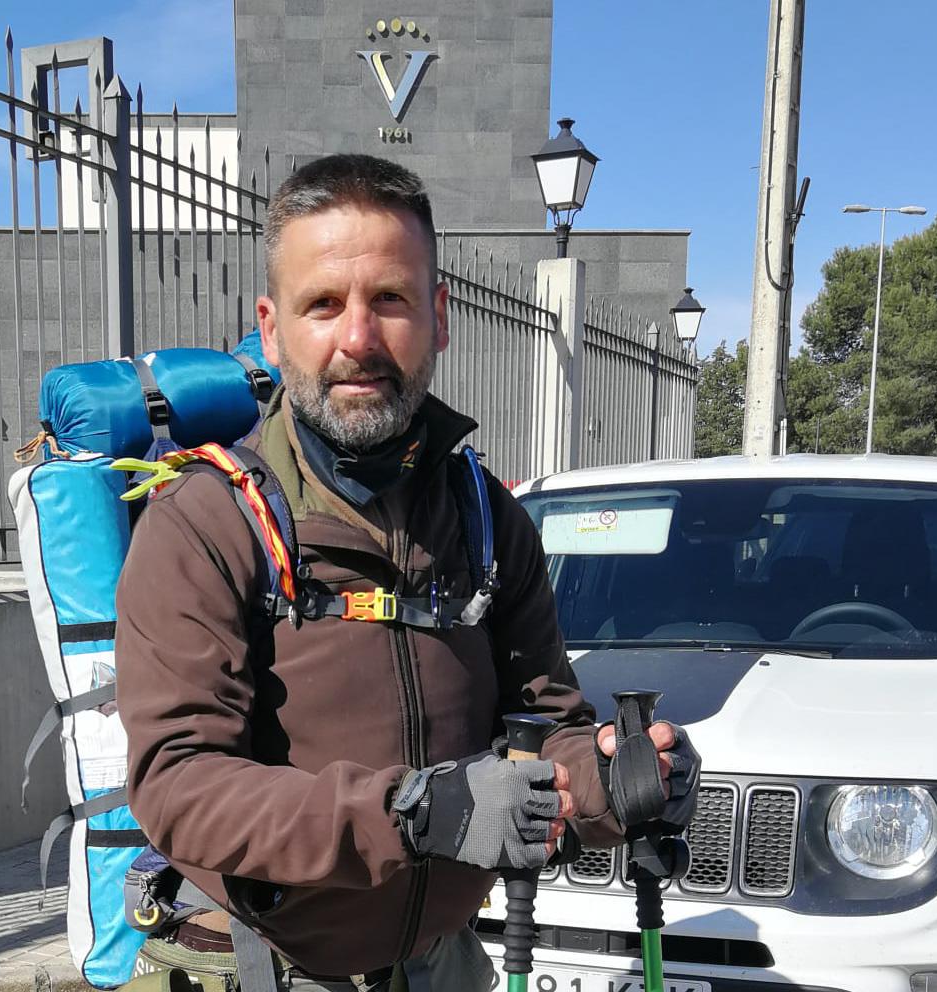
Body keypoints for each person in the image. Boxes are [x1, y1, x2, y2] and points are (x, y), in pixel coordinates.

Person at [115, 153, 697, 992]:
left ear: (438, 315)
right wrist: (413, 810)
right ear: (274, 331)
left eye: (388, 299)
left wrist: (617, 778)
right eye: (324, 305)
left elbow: (546, 726)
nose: (358, 339)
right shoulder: (205, 527)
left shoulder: (489, 521)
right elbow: (180, 786)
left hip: (442, 964)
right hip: (257, 964)